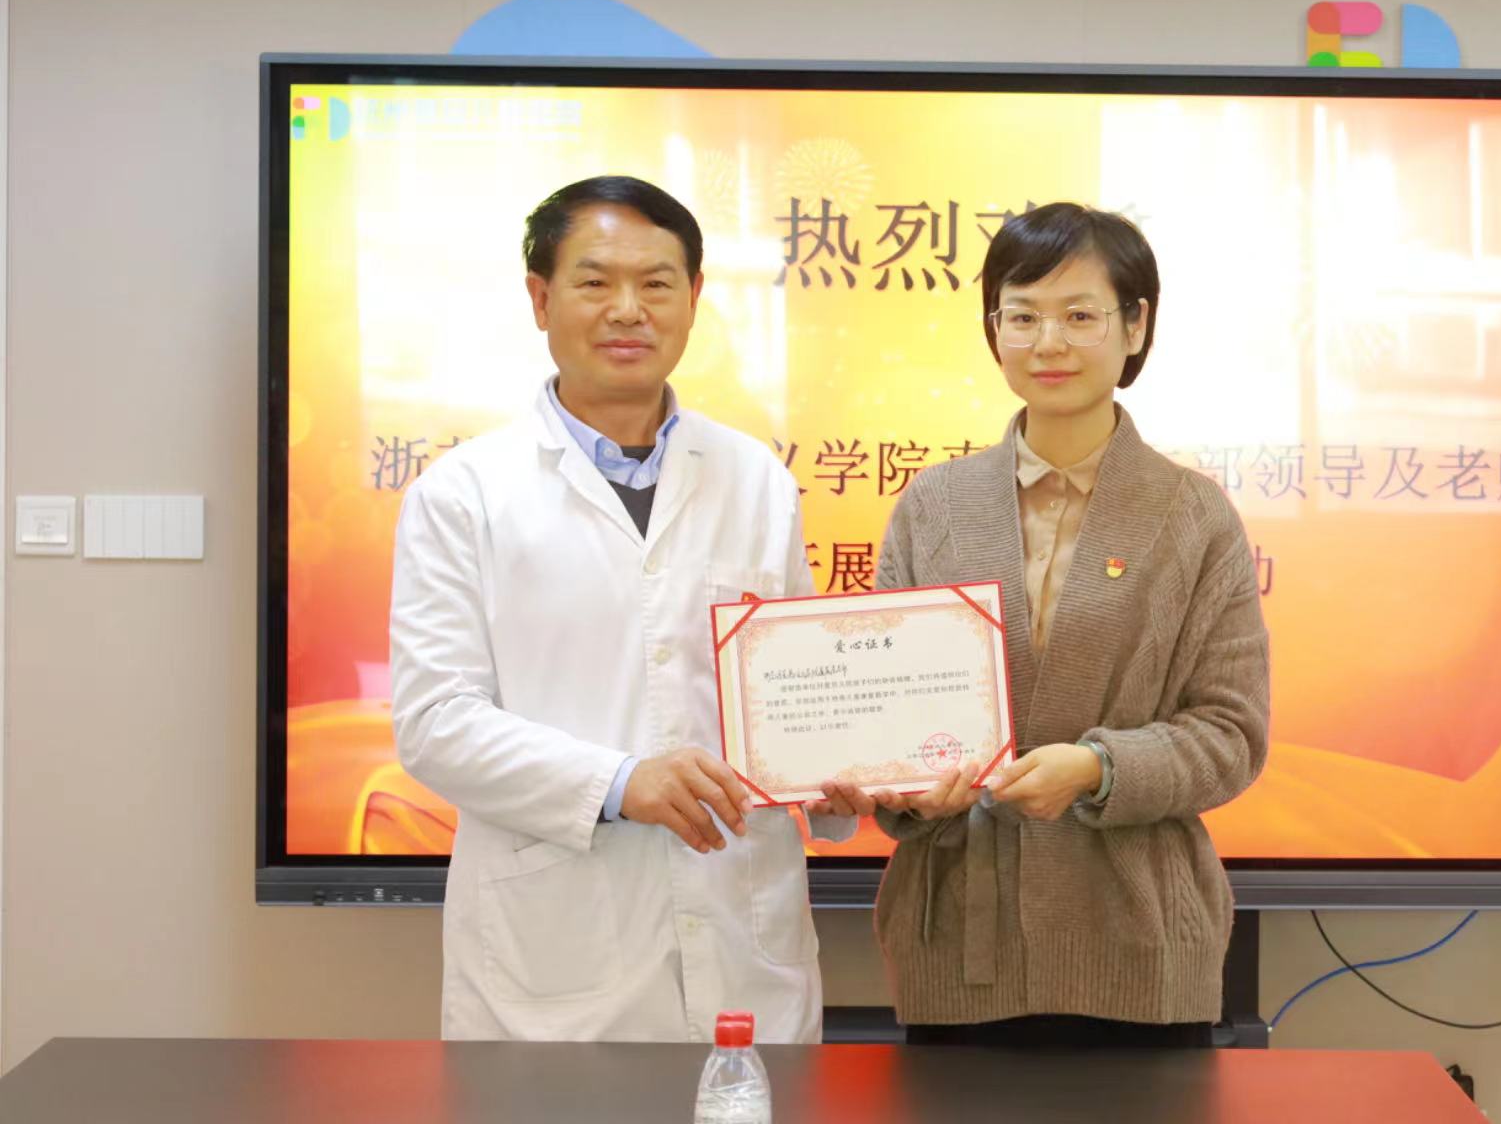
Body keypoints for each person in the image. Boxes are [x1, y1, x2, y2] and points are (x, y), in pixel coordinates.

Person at [390, 175, 852, 1043]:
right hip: (555, 955)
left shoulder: (756, 478)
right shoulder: (464, 493)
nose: (628, 310)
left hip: (743, 940)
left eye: (657, 283)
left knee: (750, 1096)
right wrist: (617, 782)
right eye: (596, 281)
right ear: (541, 299)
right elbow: (435, 723)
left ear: (694, 298)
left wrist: (841, 765)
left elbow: (789, 690)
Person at [817, 202, 1271, 1047]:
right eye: (1021, 316)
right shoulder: (933, 506)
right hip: (960, 944)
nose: (1047, 342)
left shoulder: (1193, 515)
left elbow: (1231, 734)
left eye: (1079, 316)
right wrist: (904, 787)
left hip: (1138, 943)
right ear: (994, 331)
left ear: (1135, 326)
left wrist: (1097, 768)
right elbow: (886, 718)